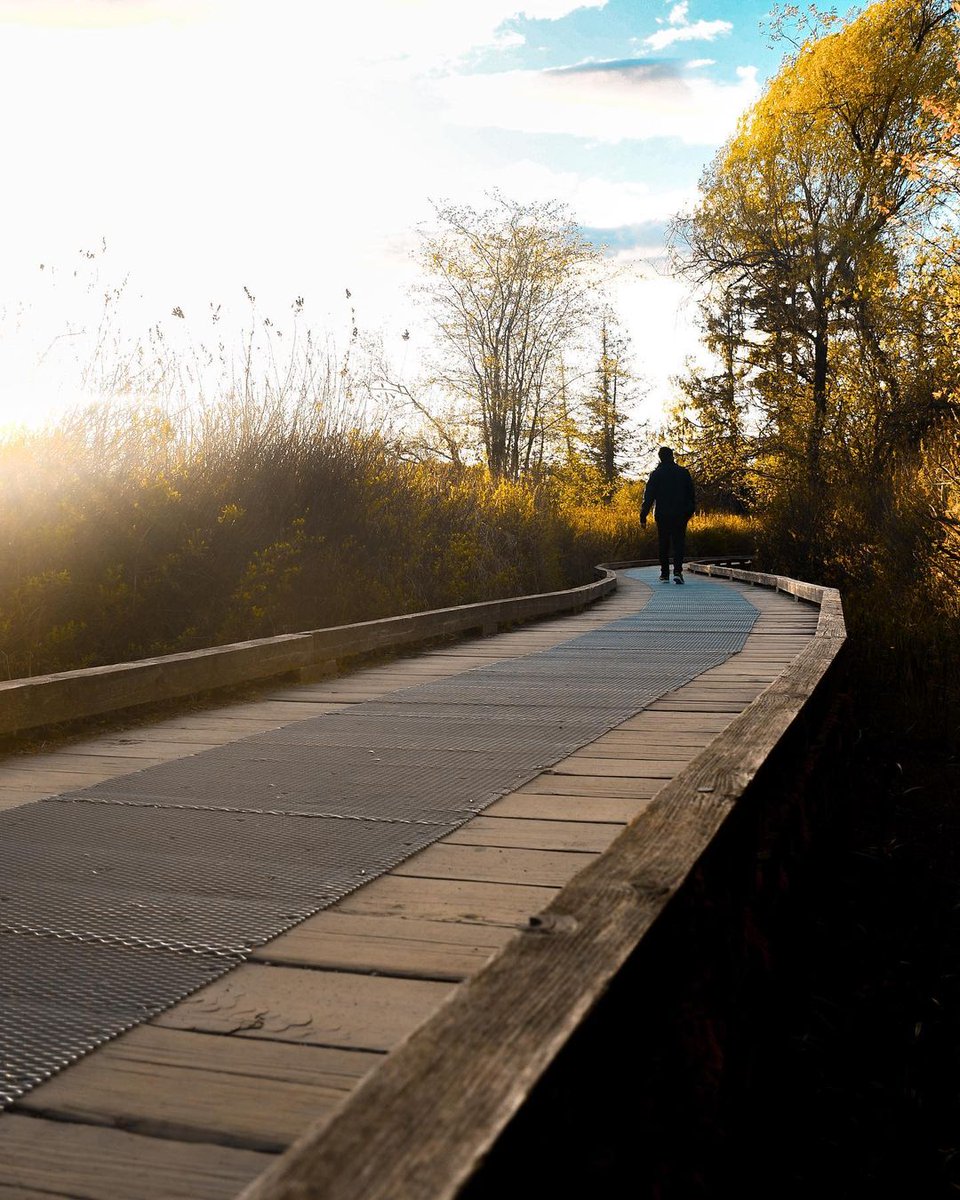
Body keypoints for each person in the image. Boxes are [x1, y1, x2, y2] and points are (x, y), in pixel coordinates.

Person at [640, 446, 696, 584]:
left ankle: (664, 573)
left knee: (663, 543)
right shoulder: (683, 473)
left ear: (660, 457)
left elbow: (649, 497)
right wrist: (689, 512)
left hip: (662, 514)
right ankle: (677, 571)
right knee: (679, 543)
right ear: (672, 456)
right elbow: (691, 495)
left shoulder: (656, 474)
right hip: (680, 514)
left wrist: (643, 515)